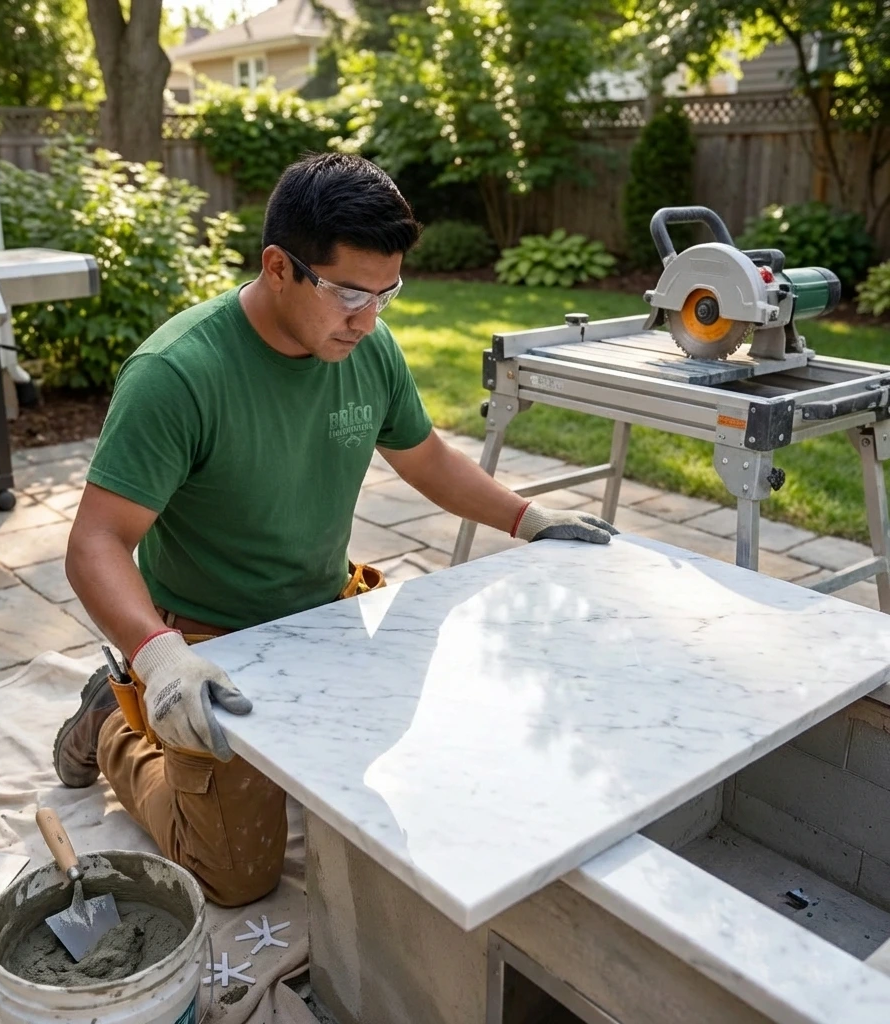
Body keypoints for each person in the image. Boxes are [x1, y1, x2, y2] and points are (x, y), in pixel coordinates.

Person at [54, 152, 618, 907]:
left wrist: (527, 518)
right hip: (204, 640)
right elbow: (95, 544)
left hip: (326, 611)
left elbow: (426, 458)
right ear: (279, 266)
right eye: (350, 293)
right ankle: (115, 721)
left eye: (386, 295)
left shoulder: (367, 347)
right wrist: (158, 662)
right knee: (236, 874)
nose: (369, 318)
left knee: (412, 778)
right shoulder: (178, 374)